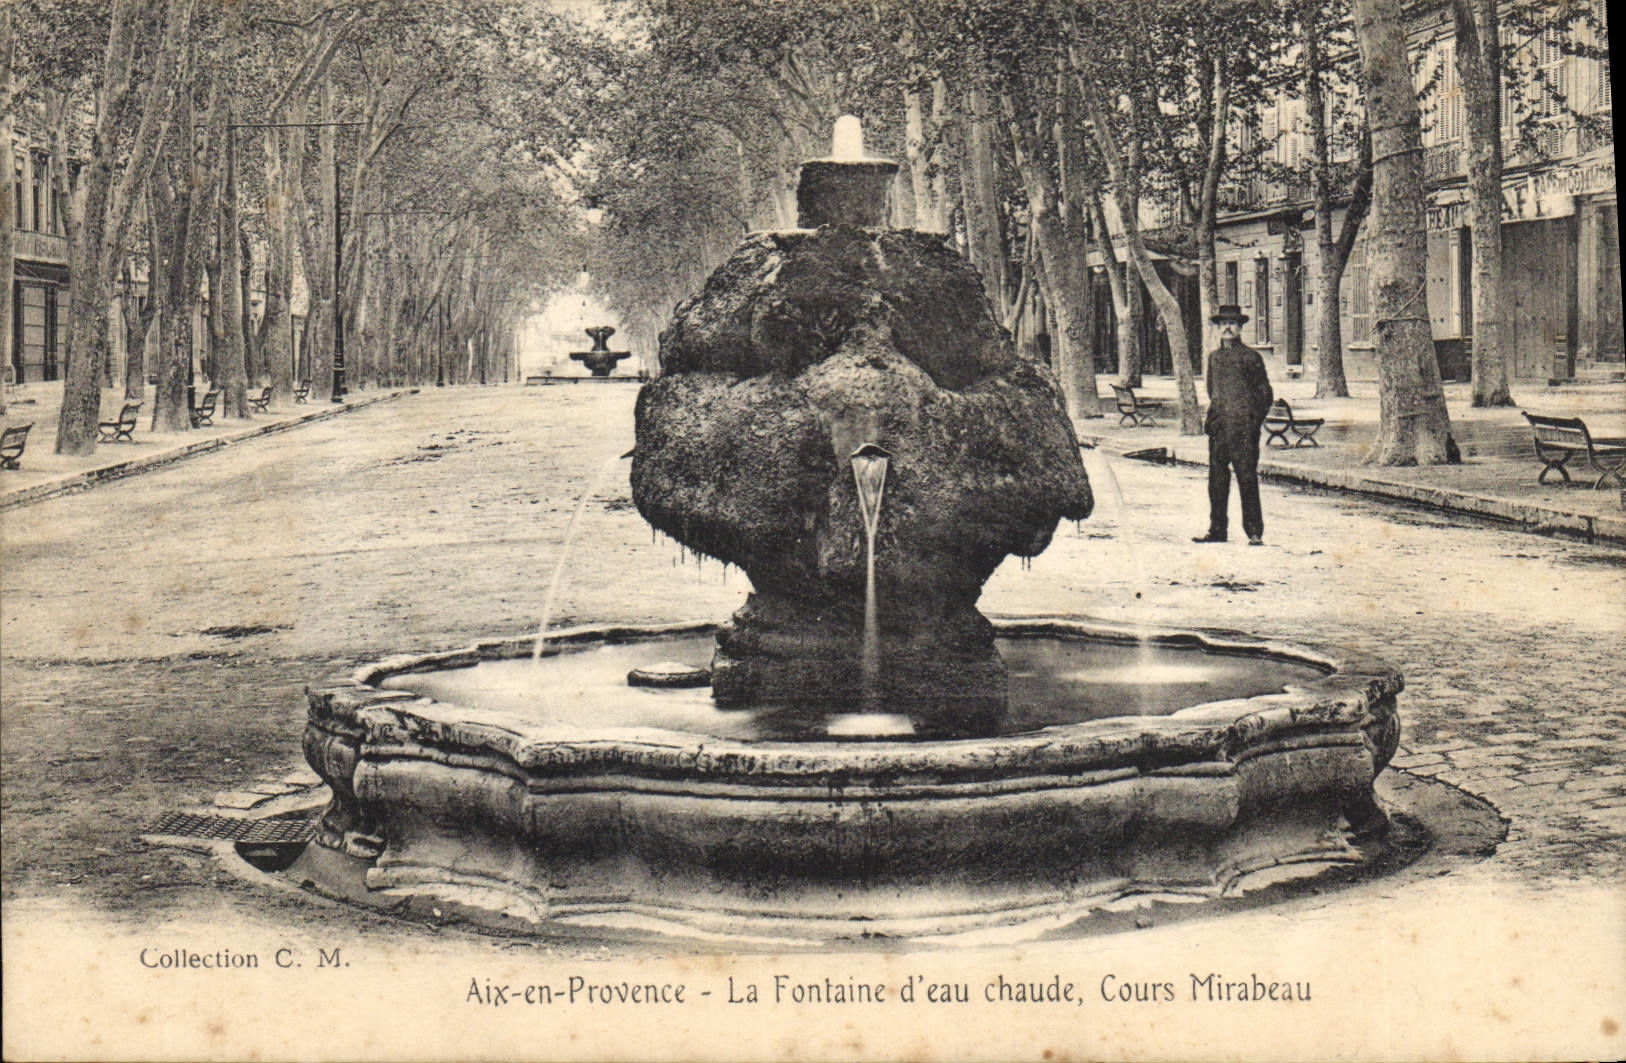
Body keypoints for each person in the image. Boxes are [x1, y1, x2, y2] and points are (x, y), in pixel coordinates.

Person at [1194, 304, 1274, 546]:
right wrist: (1216, 417)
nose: (1228, 328)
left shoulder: (1251, 357)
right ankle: (1217, 530)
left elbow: (1265, 395)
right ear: (1217, 329)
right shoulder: (1214, 358)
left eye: (1233, 324)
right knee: (1217, 482)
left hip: (1243, 431)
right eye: (1223, 324)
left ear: (1240, 328)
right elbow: (1212, 391)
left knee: (1247, 479)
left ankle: (1254, 531)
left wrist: (1252, 422)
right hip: (1219, 429)